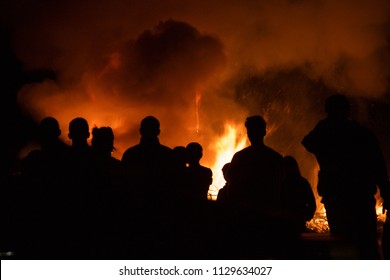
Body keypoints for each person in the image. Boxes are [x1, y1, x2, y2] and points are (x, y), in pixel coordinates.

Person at [302, 94, 390, 259]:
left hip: (338, 199)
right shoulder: (363, 135)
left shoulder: (325, 133)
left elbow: (308, 142)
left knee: (342, 246)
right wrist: (385, 190)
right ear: (348, 111)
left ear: (328, 111)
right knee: (366, 245)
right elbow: (378, 166)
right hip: (360, 199)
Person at [227, 115, 286, 259]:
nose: (250, 135)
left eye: (251, 131)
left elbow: (232, 184)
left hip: (247, 214)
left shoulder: (240, 157)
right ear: (264, 132)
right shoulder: (275, 158)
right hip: (268, 213)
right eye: (250, 131)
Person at [121, 116, 176, 259]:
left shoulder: (131, 155)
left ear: (140, 131)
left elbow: (123, 186)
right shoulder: (168, 156)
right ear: (159, 131)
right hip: (162, 217)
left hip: (135, 216)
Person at [281, 156, 316, 233]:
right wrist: (307, 215)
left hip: (288, 222)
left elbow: (311, 203)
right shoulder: (302, 182)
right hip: (296, 221)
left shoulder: (282, 184)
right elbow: (312, 203)